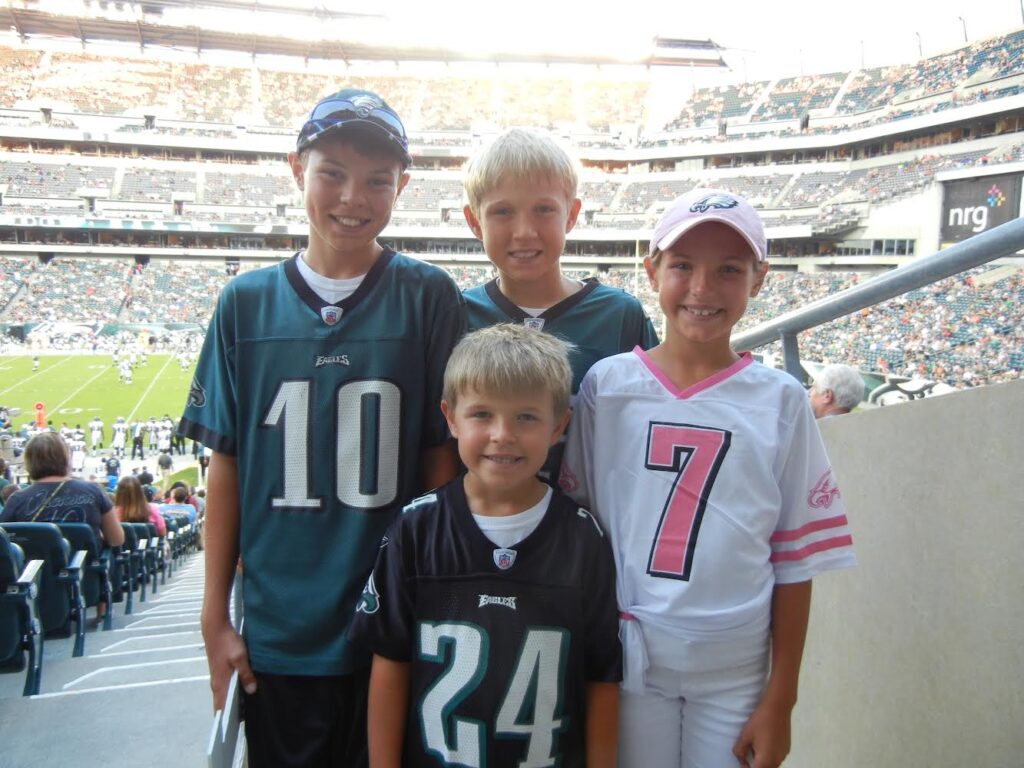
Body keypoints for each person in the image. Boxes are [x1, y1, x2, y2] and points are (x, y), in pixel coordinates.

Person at [178, 87, 465, 768]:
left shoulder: (428, 297)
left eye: (376, 180)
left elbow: (439, 462)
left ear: (403, 185)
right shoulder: (244, 305)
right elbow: (227, 463)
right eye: (331, 172)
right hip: (283, 631)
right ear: (295, 169)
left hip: (393, 624)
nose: (352, 197)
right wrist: (214, 615)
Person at [559, 189, 857, 768]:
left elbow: (793, 560)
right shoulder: (607, 386)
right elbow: (582, 527)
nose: (702, 288)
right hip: (630, 660)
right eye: (682, 266)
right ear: (652, 271)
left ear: (759, 277)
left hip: (734, 669)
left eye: (728, 269)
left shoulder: (780, 402)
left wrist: (782, 696)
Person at [349, 324, 621, 768]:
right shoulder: (416, 529)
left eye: (526, 417)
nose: (502, 434)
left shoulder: (582, 537)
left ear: (559, 426)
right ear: (451, 417)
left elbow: (602, 675)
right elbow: (391, 661)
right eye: (482, 415)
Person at [461, 127, 657, 481]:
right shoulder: (457, 314)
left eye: (543, 209)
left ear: (571, 214)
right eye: (502, 212)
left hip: (591, 528)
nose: (524, 231)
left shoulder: (619, 315)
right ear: (474, 221)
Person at [1, 432, 124, 547]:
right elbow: (116, 539)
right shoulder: (94, 491)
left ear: (29, 461)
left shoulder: (16, 500)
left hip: (38, 569)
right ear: (65, 458)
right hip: (87, 568)